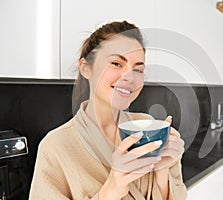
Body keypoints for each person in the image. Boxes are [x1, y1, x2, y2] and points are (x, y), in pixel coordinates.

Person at [29, 20, 187, 200]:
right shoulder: (55, 147)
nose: (129, 77)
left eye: (138, 69)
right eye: (117, 63)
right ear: (86, 68)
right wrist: (112, 188)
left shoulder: (150, 128)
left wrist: (162, 170)